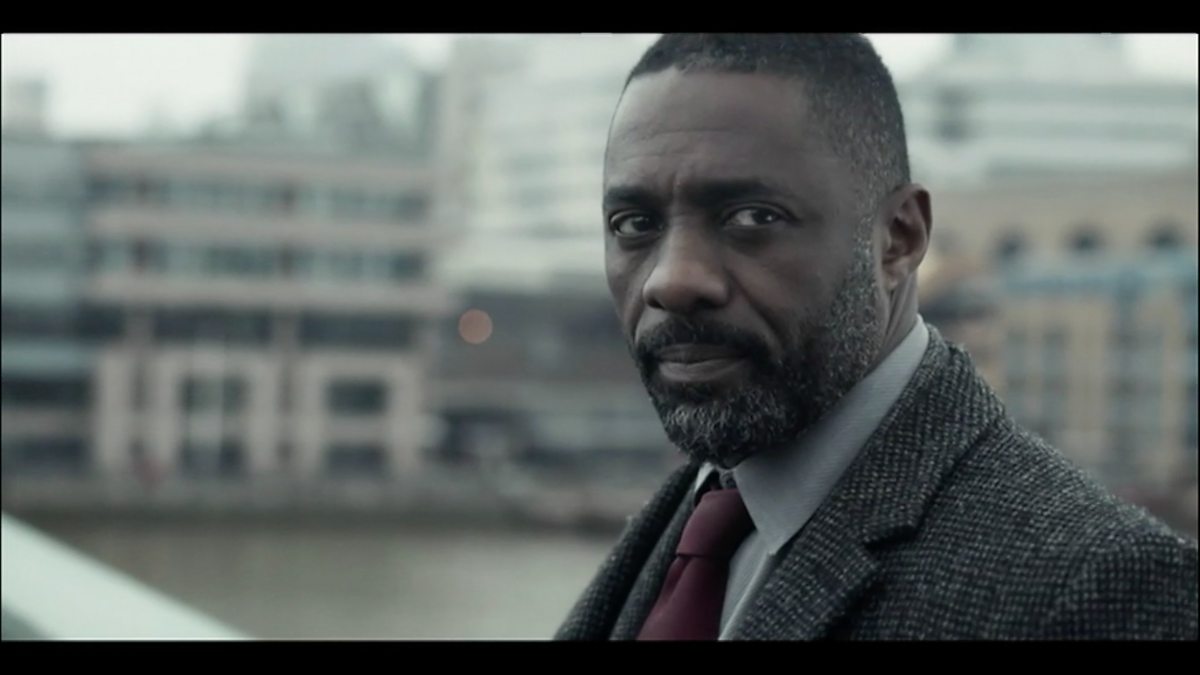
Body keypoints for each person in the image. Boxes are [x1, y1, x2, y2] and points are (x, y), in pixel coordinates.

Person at [555, 33, 1198, 641]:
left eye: (753, 216)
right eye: (633, 223)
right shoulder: (697, 513)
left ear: (899, 239)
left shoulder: (1105, 587)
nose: (672, 280)